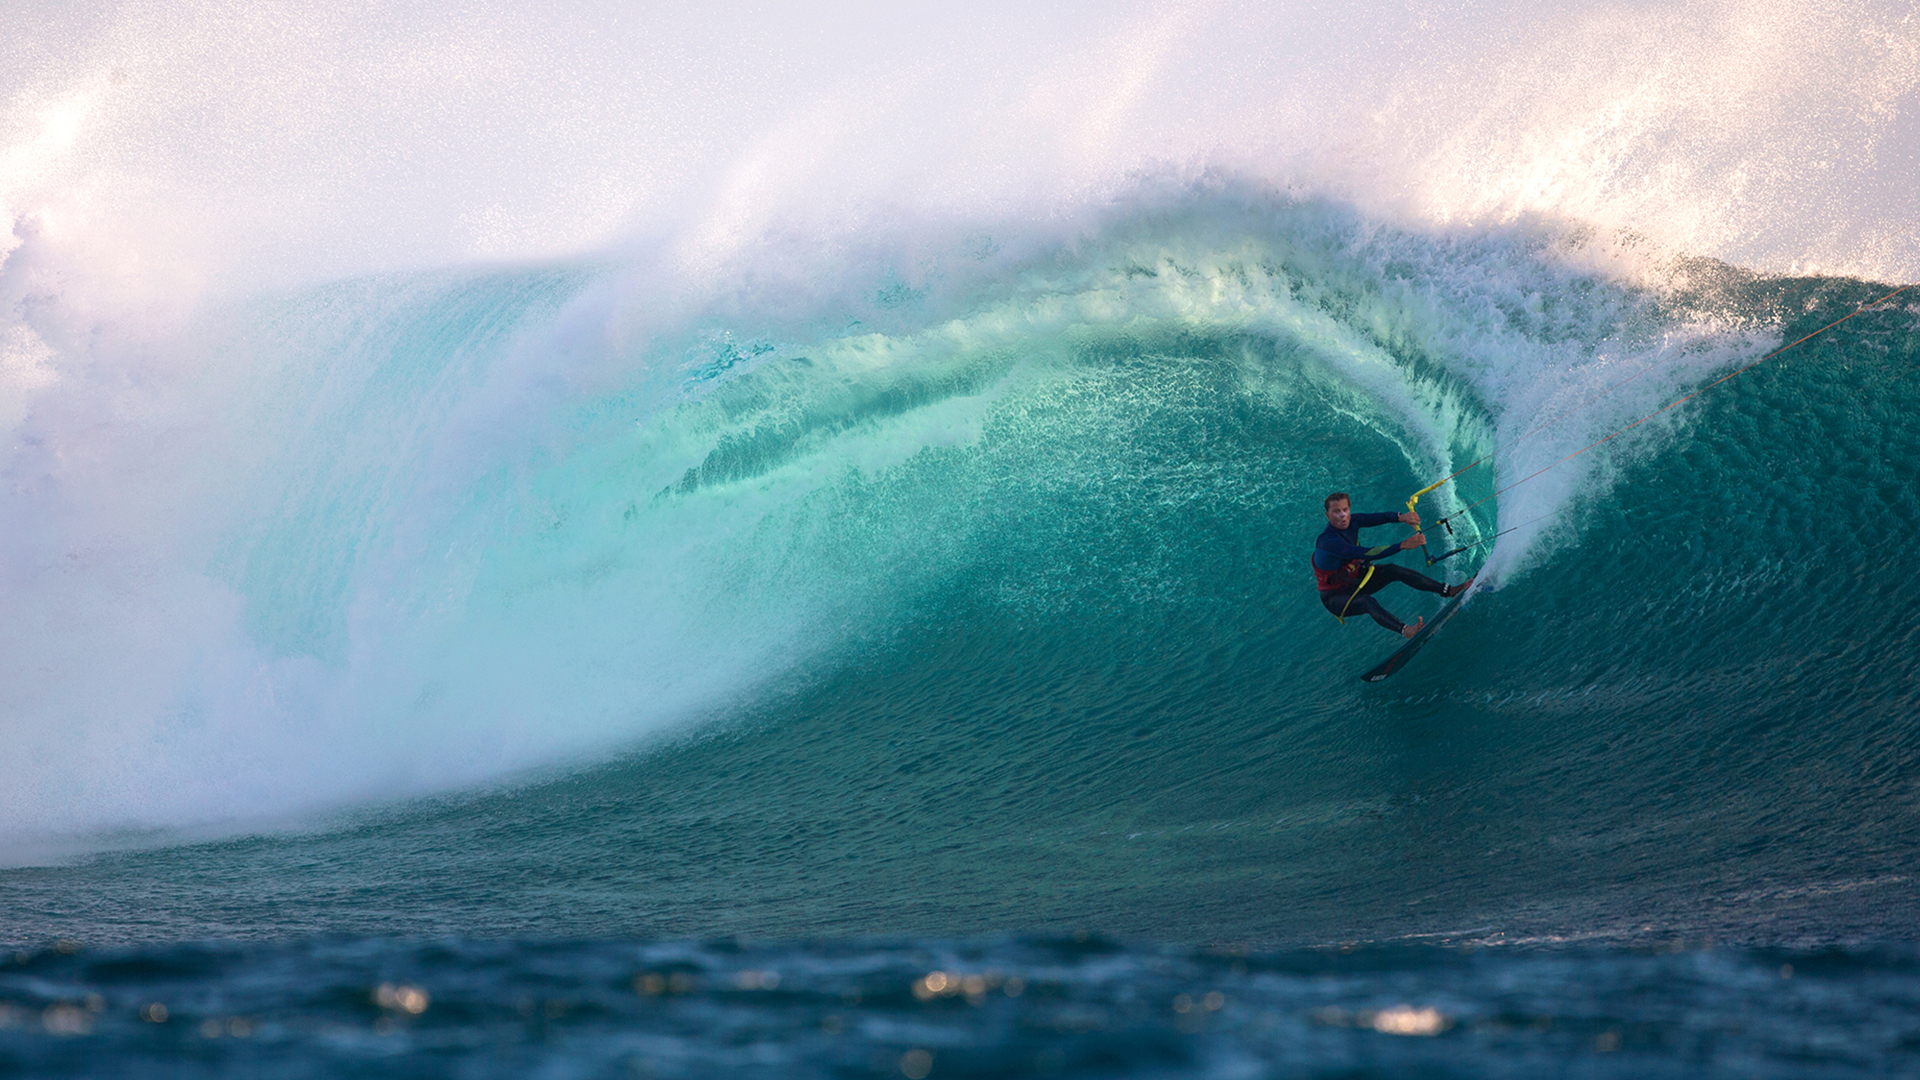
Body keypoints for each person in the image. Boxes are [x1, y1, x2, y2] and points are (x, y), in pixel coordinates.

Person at [1313, 492, 1472, 639]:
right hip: (1335, 597)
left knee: (1393, 570)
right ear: (1327, 515)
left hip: (1355, 580)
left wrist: (1402, 517)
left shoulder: (1353, 521)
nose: (1342, 515)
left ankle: (1449, 590)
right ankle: (1406, 630)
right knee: (1367, 602)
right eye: (1336, 511)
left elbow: (1379, 517)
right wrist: (1403, 545)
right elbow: (1365, 553)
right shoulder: (1327, 542)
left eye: (1345, 509)